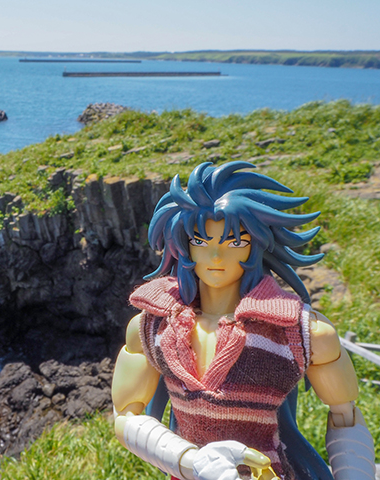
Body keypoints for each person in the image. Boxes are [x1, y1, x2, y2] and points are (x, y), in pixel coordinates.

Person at [111, 161, 376, 480]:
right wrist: (191, 461)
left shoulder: (299, 331)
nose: (216, 256)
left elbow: (346, 417)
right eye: (200, 241)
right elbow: (125, 416)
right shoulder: (152, 325)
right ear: (183, 245)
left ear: (256, 245)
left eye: (235, 242)